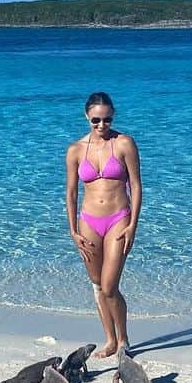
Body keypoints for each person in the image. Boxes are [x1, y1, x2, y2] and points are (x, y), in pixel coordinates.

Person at [65, 90, 141, 357]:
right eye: (96, 120)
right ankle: (110, 339)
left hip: (118, 219)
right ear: (87, 116)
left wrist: (133, 224)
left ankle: (124, 340)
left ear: (113, 117)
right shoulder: (75, 150)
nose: (101, 125)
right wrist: (73, 230)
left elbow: (136, 185)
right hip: (88, 222)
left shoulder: (124, 144)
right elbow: (71, 192)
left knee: (110, 286)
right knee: (97, 285)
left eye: (106, 120)